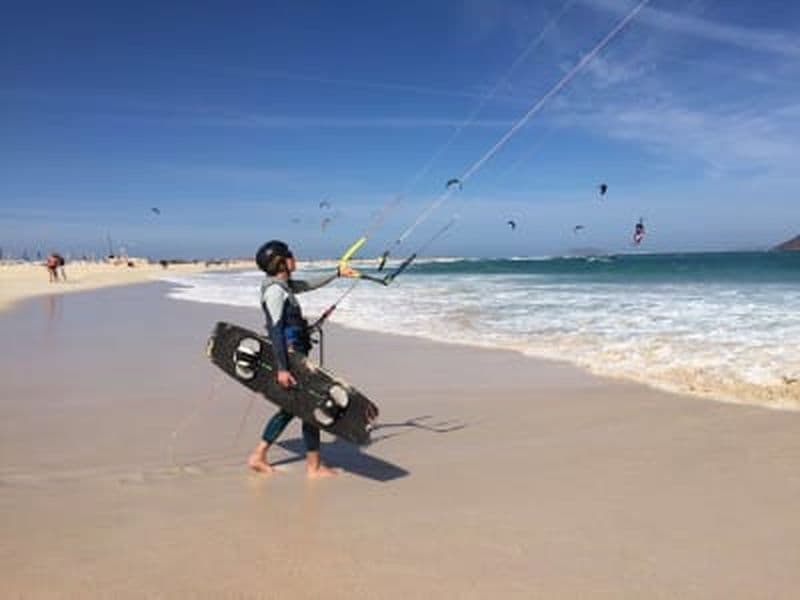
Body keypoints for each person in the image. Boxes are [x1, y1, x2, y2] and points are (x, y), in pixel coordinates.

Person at [247, 240, 355, 478]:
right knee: (309, 407)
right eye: (290, 256)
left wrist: (337, 273)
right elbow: (275, 329)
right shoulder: (275, 291)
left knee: (295, 408)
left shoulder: (282, 285)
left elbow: (307, 284)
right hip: (291, 358)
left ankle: (263, 456)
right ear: (281, 262)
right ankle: (311, 466)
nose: (294, 258)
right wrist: (283, 368)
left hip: (295, 356)